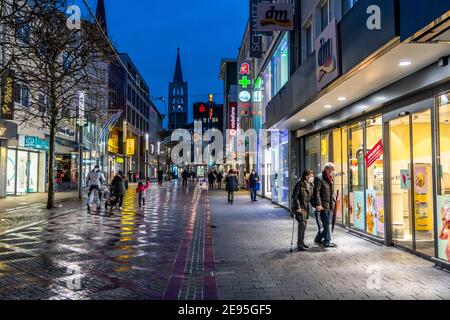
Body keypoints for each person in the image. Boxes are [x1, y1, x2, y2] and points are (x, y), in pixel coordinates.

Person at [312, 163, 336, 248]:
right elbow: (316, 192)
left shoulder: (329, 178)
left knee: (327, 222)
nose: (332, 171)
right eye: (331, 169)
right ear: (327, 169)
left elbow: (331, 191)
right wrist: (318, 204)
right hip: (323, 204)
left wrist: (334, 200)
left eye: (332, 170)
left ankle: (318, 239)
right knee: (326, 223)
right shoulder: (319, 178)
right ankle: (327, 241)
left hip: (329, 204)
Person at [292, 170, 315, 251]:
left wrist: (316, 205)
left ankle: (301, 242)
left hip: (306, 208)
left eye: (312, 176)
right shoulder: (299, 184)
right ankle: (299, 244)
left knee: (304, 225)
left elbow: (311, 198)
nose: (312, 177)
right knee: (302, 225)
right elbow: (295, 197)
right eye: (311, 176)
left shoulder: (311, 185)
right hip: (300, 208)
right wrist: (298, 207)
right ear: (306, 176)